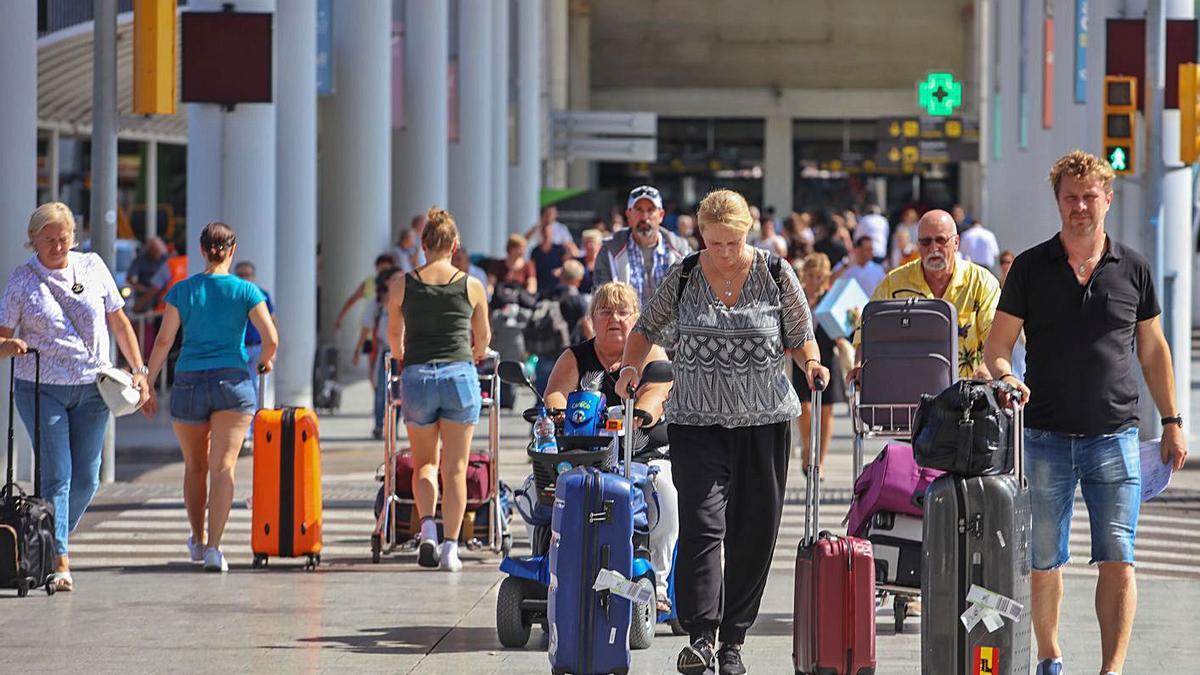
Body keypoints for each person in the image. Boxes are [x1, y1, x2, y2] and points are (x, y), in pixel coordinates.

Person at [983, 150, 1187, 675]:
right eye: (1070, 198)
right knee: (1044, 560)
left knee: (1118, 559)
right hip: (1045, 436)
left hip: (1115, 437)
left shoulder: (1134, 268)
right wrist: (1007, 376)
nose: (1080, 206)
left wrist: (1171, 420)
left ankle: (1110, 668)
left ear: (1107, 199)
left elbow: (1153, 350)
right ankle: (1051, 656)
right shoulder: (1031, 266)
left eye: (1089, 196)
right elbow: (998, 345)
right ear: (1058, 202)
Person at [616, 189, 829, 675]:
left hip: (765, 423)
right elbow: (646, 329)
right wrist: (631, 368)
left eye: (732, 242)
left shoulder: (776, 274)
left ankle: (733, 641)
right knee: (701, 526)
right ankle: (701, 636)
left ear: (746, 233)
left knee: (754, 532)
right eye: (715, 243)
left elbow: (800, 337)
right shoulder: (686, 273)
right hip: (696, 422)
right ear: (701, 236)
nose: (725, 252)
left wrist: (813, 364)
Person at [0, 202, 151, 591]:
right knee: (58, 474)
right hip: (40, 387)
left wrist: (139, 370)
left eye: (63, 238)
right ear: (32, 239)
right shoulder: (21, 280)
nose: (56, 246)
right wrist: (10, 345)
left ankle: (51, 540)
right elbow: (1, 336)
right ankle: (60, 560)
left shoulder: (93, 266)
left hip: (94, 388)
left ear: (73, 237)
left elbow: (118, 320)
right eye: (48, 240)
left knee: (87, 476)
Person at [143, 222, 278, 574]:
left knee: (195, 466)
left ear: (202, 250)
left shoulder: (181, 291)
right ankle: (216, 550)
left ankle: (197, 538)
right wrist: (264, 361)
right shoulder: (246, 291)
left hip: (188, 382)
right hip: (232, 382)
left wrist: (148, 382)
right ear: (231, 251)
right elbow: (271, 338)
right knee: (223, 467)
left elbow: (163, 342)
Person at [542, 281, 678, 612]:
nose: (613, 318)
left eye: (622, 311)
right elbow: (556, 392)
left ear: (637, 317)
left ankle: (658, 584)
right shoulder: (576, 356)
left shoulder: (651, 353)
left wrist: (642, 412)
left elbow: (657, 391)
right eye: (605, 311)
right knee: (539, 488)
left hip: (643, 457)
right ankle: (551, 568)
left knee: (665, 494)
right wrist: (560, 411)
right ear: (592, 319)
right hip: (586, 455)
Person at [387, 206, 491, 572]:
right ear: (455, 244)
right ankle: (451, 547)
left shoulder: (403, 283)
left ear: (423, 243)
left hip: (417, 377)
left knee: (425, 464)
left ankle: (428, 529)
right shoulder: (471, 284)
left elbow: (393, 339)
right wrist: (475, 354)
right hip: (459, 376)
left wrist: (404, 355)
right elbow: (483, 339)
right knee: (456, 467)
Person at [851, 209, 1000, 380]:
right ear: (918, 245)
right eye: (926, 242)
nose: (934, 248)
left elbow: (995, 334)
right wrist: (859, 365)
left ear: (956, 242)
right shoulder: (894, 283)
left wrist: (988, 367)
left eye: (941, 240)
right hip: (909, 394)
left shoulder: (981, 282)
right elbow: (868, 329)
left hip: (967, 394)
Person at [593, 185, 692, 309]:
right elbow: (601, 300)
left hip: (672, 327)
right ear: (628, 215)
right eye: (638, 209)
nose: (645, 217)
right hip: (627, 327)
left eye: (650, 210)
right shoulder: (609, 251)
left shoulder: (682, 251)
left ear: (661, 215)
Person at [794, 254, 847, 471]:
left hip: (828, 356)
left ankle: (821, 461)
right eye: (811, 276)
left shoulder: (831, 298)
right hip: (803, 359)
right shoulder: (797, 297)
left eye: (819, 276)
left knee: (826, 411)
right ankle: (807, 448)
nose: (814, 281)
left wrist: (843, 332)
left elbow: (845, 329)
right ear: (804, 276)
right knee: (804, 408)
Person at [233, 261, 276, 382]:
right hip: (238, 348)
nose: (244, 278)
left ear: (253, 276)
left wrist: (272, 351)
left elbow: (272, 321)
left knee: (258, 387)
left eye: (247, 274)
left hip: (258, 347)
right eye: (240, 275)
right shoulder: (232, 296)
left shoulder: (262, 295)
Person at [333, 254, 396, 333]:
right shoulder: (369, 283)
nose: (383, 273)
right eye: (381, 269)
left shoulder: (397, 284)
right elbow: (353, 299)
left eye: (386, 270)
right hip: (369, 332)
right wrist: (340, 318)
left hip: (389, 333)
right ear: (376, 268)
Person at [529, 218, 578, 294]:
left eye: (549, 232)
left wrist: (561, 270)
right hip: (540, 285)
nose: (546, 235)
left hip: (556, 286)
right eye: (544, 232)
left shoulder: (559, 249)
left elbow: (572, 257)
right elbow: (531, 268)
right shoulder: (535, 251)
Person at [126, 236, 172, 313]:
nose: (157, 255)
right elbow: (130, 277)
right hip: (145, 290)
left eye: (159, 252)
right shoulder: (140, 260)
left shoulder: (165, 260)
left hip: (161, 292)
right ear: (149, 250)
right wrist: (139, 287)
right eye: (155, 251)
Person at [578, 228, 603, 293]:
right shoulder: (578, 262)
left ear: (599, 245)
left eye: (592, 242)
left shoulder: (605, 263)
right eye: (586, 243)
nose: (589, 246)